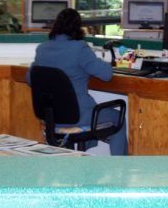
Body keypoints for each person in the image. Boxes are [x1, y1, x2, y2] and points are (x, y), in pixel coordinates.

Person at [28, 8, 128, 155]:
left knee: (92, 113)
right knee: (118, 117)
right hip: (78, 117)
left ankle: (80, 163)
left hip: (52, 119)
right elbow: (107, 75)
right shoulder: (79, 48)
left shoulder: (42, 49)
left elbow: (30, 79)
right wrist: (97, 61)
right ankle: (121, 169)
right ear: (78, 28)